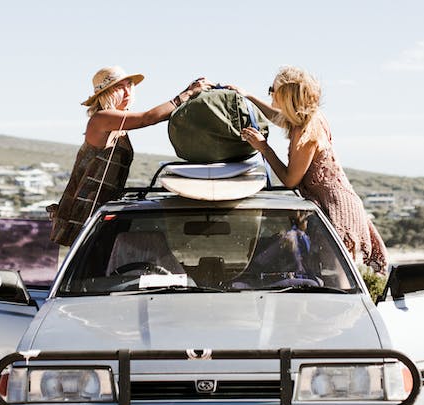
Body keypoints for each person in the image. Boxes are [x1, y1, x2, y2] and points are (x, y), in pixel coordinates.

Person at [231, 66, 388, 274]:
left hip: (337, 210)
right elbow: (277, 117)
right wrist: (247, 96)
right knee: (325, 272)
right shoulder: (303, 119)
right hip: (329, 204)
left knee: (335, 274)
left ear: (286, 96)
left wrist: (264, 148)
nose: (269, 93)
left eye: (272, 89)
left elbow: (290, 180)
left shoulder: (308, 133)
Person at [49, 66, 210, 246]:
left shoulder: (119, 123)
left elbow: (155, 116)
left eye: (129, 85)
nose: (127, 91)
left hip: (104, 208)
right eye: (119, 87)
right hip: (87, 208)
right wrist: (186, 94)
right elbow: (148, 118)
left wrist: (188, 93)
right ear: (105, 93)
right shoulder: (101, 118)